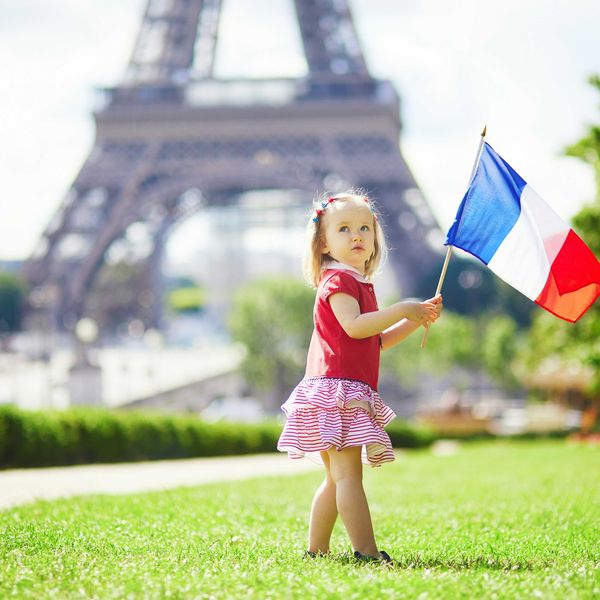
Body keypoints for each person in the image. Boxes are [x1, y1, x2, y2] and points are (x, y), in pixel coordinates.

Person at [277, 190, 442, 563]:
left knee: (336, 478)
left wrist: (414, 320)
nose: (357, 236)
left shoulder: (357, 283)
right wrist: (402, 307)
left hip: (333, 389)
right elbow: (354, 327)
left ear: (374, 239)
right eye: (345, 228)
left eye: (365, 228)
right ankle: (365, 552)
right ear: (322, 243)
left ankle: (316, 550)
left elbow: (376, 340)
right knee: (349, 477)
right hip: (337, 391)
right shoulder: (338, 283)